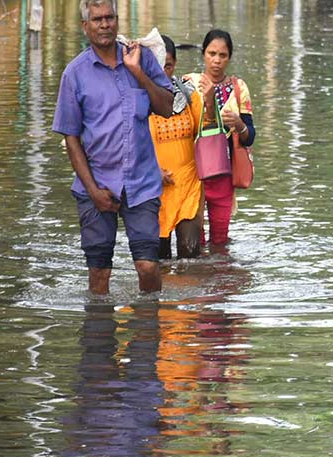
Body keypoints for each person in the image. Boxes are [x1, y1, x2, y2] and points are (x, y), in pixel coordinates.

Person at [52, 0, 177, 295]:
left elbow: (167, 108)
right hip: (96, 186)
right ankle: (99, 337)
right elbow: (72, 138)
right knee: (99, 273)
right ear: (86, 26)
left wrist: (139, 74)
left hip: (142, 183)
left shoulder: (141, 58)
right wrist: (93, 191)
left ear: (118, 21)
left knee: (148, 266)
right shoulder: (74, 74)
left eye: (109, 17)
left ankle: (147, 330)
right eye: (97, 19)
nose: (105, 24)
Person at [183, 30, 254, 249]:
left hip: (224, 172)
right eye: (212, 53)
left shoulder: (239, 88)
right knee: (193, 240)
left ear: (229, 57)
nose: (216, 60)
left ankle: (221, 279)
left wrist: (239, 125)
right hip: (194, 172)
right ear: (203, 54)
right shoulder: (188, 85)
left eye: (222, 55)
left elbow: (249, 137)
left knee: (220, 241)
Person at [149, 38, 203, 260]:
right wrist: (152, 171)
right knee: (158, 262)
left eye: (168, 65)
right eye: (157, 65)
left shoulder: (190, 95)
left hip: (188, 185)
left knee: (189, 256)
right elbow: (127, 145)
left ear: (175, 64)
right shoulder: (136, 99)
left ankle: (188, 296)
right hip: (153, 189)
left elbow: (207, 133)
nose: (162, 71)